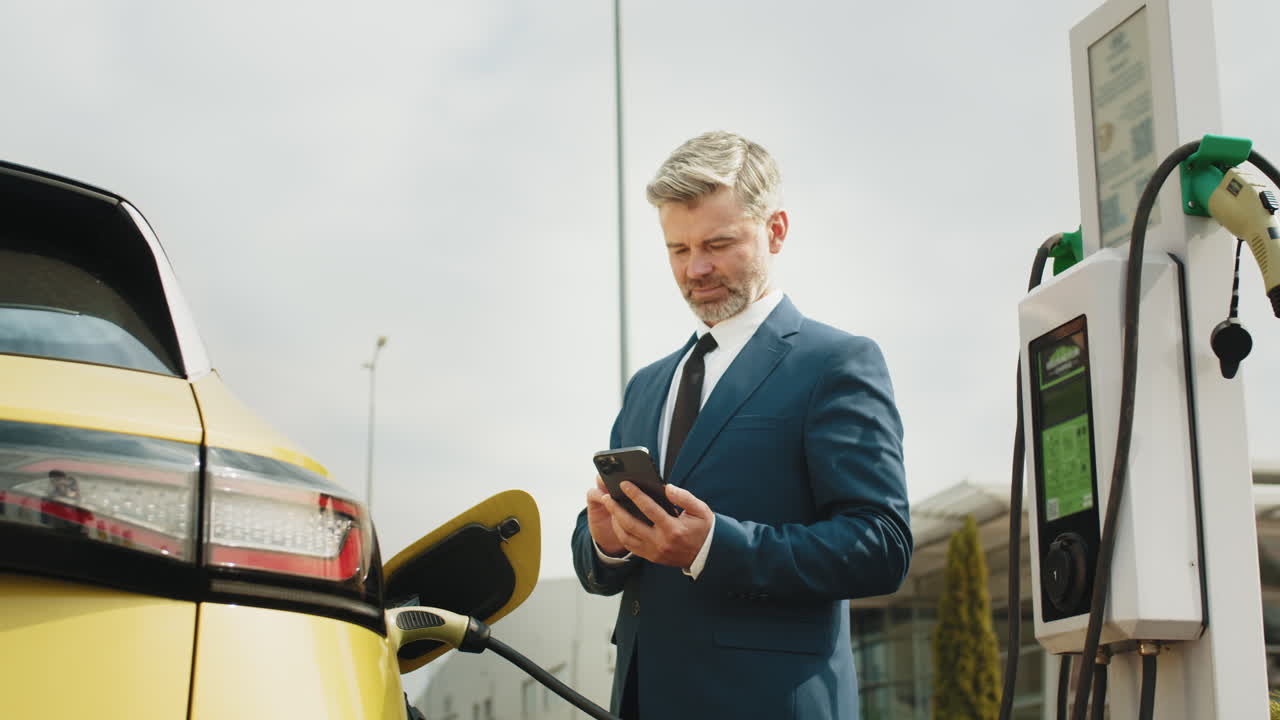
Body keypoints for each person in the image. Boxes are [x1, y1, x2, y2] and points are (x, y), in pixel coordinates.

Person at [571, 130, 912, 719]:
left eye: (718, 243)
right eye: (678, 250)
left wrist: (714, 548)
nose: (696, 269)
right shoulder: (647, 385)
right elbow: (597, 562)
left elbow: (881, 543)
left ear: (776, 230)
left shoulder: (834, 363)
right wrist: (606, 541)